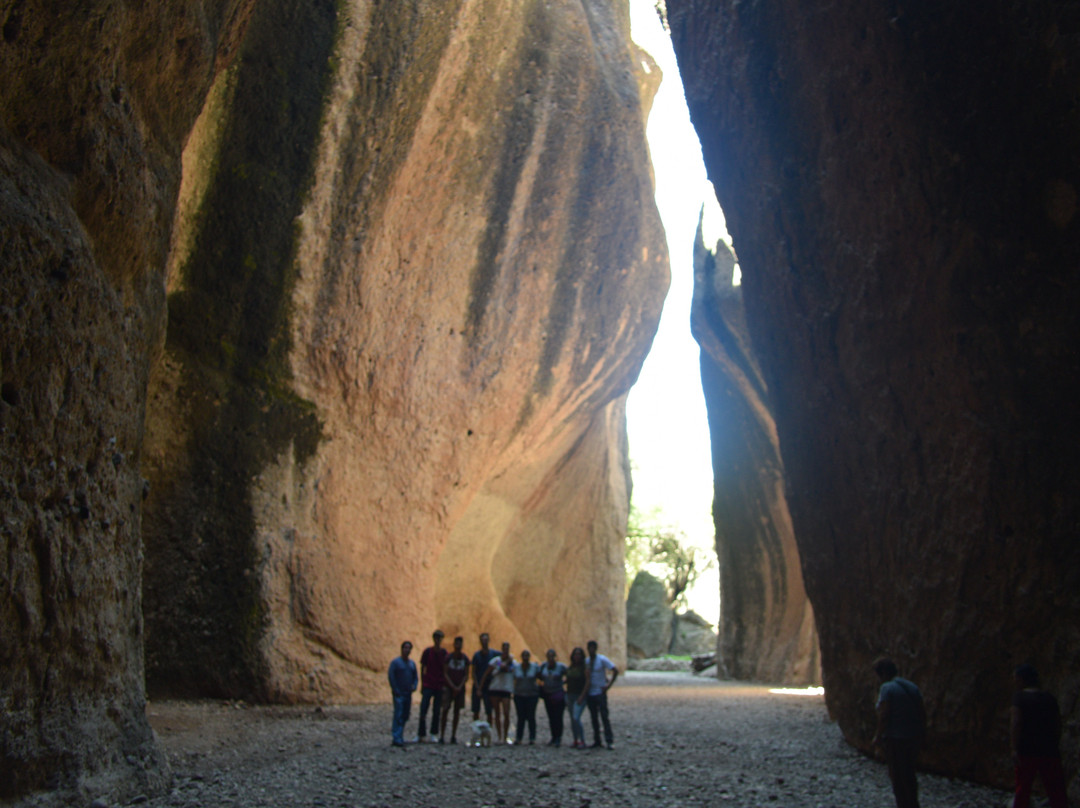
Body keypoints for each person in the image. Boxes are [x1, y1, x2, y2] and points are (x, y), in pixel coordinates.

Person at [1010, 664, 1068, 808]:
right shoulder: (1049, 698)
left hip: (1026, 749)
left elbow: (1016, 722)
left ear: (1021, 679)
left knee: (1023, 789)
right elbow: (1058, 723)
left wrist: (1013, 748)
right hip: (1049, 749)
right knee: (1056, 790)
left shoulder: (1019, 698)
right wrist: (1055, 742)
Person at [871, 657, 926, 808]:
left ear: (882, 673)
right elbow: (922, 711)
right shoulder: (911, 686)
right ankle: (913, 804)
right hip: (913, 737)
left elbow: (885, 714)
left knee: (897, 776)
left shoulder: (887, 688)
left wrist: (878, 736)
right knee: (909, 773)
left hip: (896, 738)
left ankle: (903, 804)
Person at [585, 639, 618, 749]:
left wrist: (608, 686)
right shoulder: (587, 661)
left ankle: (609, 740)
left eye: (593, 648)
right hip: (591, 693)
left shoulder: (602, 659)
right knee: (594, 718)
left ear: (595, 649)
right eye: (589, 648)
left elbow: (615, 670)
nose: (591, 650)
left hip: (600, 692)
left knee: (604, 717)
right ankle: (597, 740)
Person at [480, 641, 515, 744]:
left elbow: (514, 672)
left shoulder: (513, 662)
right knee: (497, 714)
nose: (505, 650)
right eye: (504, 648)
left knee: (506, 713)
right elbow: (487, 673)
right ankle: (500, 736)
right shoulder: (496, 661)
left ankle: (505, 736)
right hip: (495, 688)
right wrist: (480, 687)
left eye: (507, 648)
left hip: (506, 689)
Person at [418, 629, 447, 742]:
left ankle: (434, 733)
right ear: (433, 638)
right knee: (423, 709)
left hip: (439, 685)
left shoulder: (444, 653)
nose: (438, 640)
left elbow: (445, 669)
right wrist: (422, 682)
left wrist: (444, 685)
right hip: (428, 684)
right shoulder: (427, 652)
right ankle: (421, 734)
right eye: (436, 638)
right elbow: (423, 668)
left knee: (436, 711)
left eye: (440, 638)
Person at [439, 636, 470, 744]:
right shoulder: (449, 658)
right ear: (454, 645)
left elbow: (466, 675)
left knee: (456, 712)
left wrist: (459, 686)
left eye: (460, 644)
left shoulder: (465, 659)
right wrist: (452, 686)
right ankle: (442, 735)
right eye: (456, 644)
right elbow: (445, 673)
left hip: (459, 688)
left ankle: (453, 735)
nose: (458, 646)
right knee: (445, 710)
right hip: (449, 687)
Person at [387, 641, 418, 748]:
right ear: (402, 649)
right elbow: (391, 676)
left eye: (409, 648)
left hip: (407, 694)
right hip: (399, 694)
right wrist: (395, 689)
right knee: (398, 714)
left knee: (405, 715)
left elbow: (415, 676)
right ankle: (396, 737)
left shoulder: (411, 664)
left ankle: (400, 735)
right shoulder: (396, 663)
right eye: (405, 648)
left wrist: (414, 685)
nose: (407, 650)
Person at [538, 648, 568, 746]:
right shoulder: (543, 666)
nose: (550, 658)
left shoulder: (561, 667)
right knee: (551, 717)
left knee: (558, 716)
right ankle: (553, 736)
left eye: (552, 656)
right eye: (549, 656)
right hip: (548, 695)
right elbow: (539, 675)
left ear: (555, 657)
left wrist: (564, 683)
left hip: (558, 695)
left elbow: (570, 674)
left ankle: (558, 737)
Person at [512, 649, 542, 745]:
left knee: (531, 716)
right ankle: (519, 737)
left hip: (532, 695)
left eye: (527, 656)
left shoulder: (534, 667)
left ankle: (532, 738)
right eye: (524, 656)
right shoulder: (516, 667)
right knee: (520, 717)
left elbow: (540, 677)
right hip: (519, 695)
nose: (525, 658)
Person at [471, 632, 499, 723]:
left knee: (489, 710)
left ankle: (489, 731)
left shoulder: (493, 654)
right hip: (478, 685)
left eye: (486, 640)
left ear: (489, 640)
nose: (484, 642)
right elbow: (473, 672)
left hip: (489, 685)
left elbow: (500, 660)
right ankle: (476, 729)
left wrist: (500, 666)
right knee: (476, 710)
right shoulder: (477, 655)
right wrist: (477, 687)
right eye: (482, 640)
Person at [565, 646, 588, 749]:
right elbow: (568, 679)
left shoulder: (585, 668)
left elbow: (588, 682)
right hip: (570, 695)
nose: (577, 656)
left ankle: (582, 740)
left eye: (579, 654)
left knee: (576, 717)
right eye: (575, 654)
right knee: (572, 719)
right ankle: (575, 740)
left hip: (579, 696)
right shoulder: (571, 667)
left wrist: (582, 696)